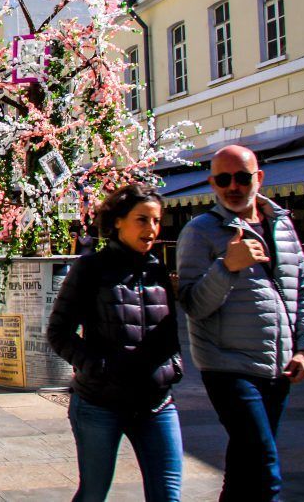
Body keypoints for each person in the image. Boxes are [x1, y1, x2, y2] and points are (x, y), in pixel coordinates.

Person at [177, 145, 304, 501]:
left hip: (279, 367)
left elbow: (302, 290)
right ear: (212, 183)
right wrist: (227, 267)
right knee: (265, 467)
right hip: (228, 367)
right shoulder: (200, 232)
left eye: (242, 177)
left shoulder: (282, 225)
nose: (233, 186)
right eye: (223, 179)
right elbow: (193, 305)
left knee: (244, 469)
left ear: (259, 178)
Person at [47, 184, 183, 502]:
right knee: (94, 493)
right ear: (119, 221)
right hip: (100, 404)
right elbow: (58, 332)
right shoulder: (91, 268)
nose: (151, 229)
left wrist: (173, 367)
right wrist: (98, 367)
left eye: (156, 220)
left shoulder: (158, 270)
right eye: (142, 219)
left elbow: (170, 332)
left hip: (157, 403)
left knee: (168, 495)